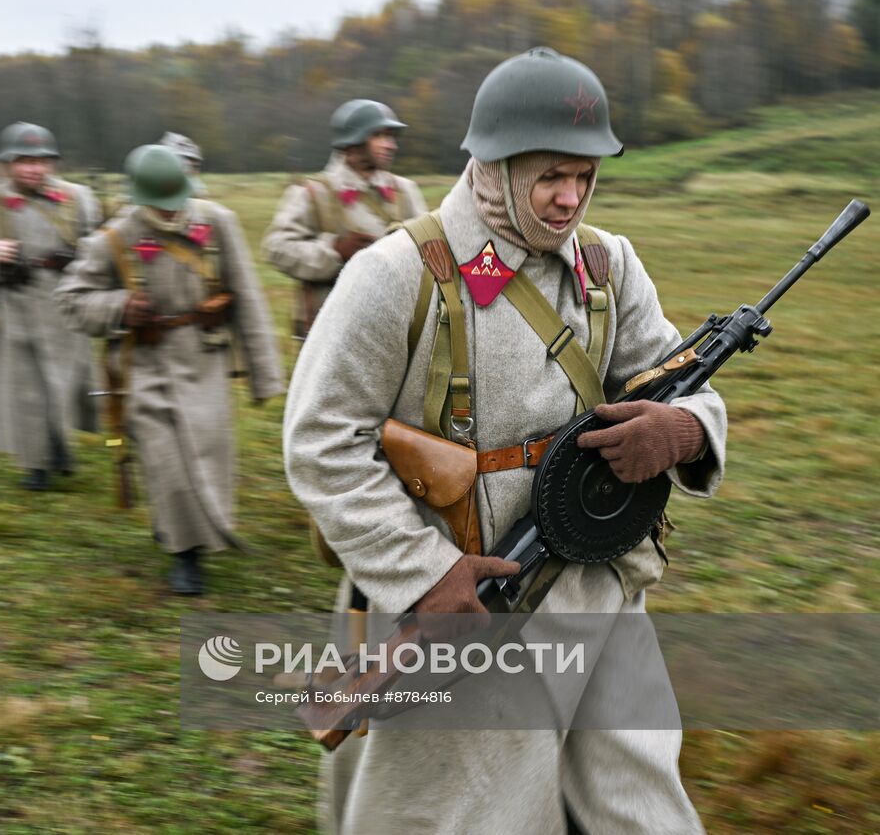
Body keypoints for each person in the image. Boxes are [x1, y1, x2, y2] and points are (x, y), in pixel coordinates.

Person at [283, 47, 725, 834]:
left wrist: (684, 429)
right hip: (476, 605)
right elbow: (322, 441)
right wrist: (423, 575)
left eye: (585, 176)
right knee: (473, 815)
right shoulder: (396, 274)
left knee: (644, 807)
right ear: (494, 161)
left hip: (600, 587)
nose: (569, 199)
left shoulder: (607, 264)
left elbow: (675, 378)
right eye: (550, 176)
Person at [58, 145, 285, 594]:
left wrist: (265, 375)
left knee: (209, 453)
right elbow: (70, 298)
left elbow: (249, 299)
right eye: (160, 204)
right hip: (146, 363)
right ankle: (186, 554)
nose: (172, 211)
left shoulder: (217, 222)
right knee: (165, 461)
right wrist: (119, 306)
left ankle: (193, 533)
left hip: (205, 356)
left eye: (178, 200)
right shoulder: (113, 237)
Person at [0, 122, 100, 491]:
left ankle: (61, 447)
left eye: (43, 161)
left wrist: (81, 256)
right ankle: (36, 463)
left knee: (63, 385)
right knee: (28, 389)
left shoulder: (79, 198)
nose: (35, 169)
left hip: (65, 307)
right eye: (25, 161)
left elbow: (102, 241)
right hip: (16, 309)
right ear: (6, 163)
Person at [262, 99, 428, 343]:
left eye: (391, 136)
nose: (391, 145)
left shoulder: (406, 191)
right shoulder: (312, 193)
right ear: (353, 142)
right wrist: (334, 251)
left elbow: (430, 252)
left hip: (397, 331)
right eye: (379, 136)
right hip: (330, 337)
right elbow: (276, 248)